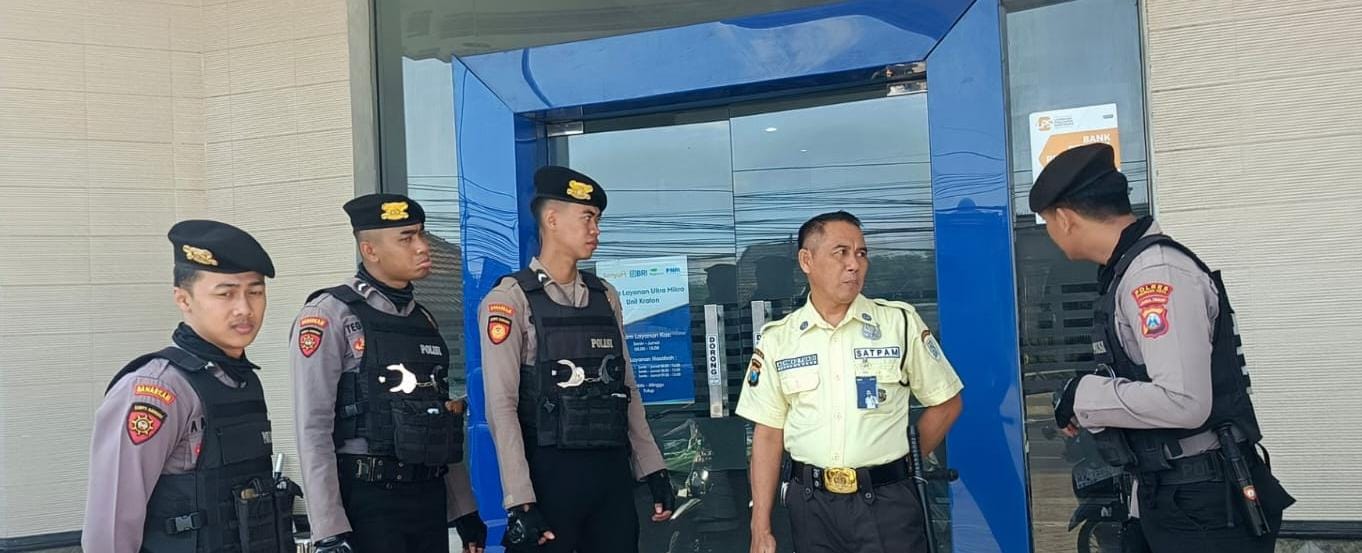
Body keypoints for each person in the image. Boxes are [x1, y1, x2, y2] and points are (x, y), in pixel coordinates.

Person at [1035, 143, 1293, 553]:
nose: (1050, 234)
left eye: (1047, 222)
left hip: (1202, 506)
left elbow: (1183, 401)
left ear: (1065, 219)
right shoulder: (1130, 270)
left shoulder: (1155, 275)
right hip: (1176, 492)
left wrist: (1083, 395)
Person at [737, 210, 964, 553]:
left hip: (886, 504)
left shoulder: (898, 324)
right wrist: (760, 525)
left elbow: (946, 403)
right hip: (811, 507)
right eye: (840, 252)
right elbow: (768, 434)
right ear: (807, 260)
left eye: (861, 253)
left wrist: (904, 462)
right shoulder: (778, 340)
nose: (854, 264)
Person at [479, 166, 674, 552]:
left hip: (610, 476)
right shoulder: (510, 300)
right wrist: (520, 500)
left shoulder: (605, 296)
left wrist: (653, 468)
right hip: (549, 476)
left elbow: (627, 388)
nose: (595, 230)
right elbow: (501, 406)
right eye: (587, 218)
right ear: (552, 220)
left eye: (597, 219)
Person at [83, 220, 299, 553]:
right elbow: (110, 530)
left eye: (255, 292)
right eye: (226, 293)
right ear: (183, 299)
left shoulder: (240, 378)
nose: (245, 308)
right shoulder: (158, 390)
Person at [291, 194, 485, 553]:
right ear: (370, 250)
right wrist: (329, 530)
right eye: (406, 238)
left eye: (421, 234)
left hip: (427, 498)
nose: (422, 246)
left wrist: (464, 510)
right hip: (367, 502)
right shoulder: (330, 315)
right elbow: (313, 429)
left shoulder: (423, 320)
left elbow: (442, 417)